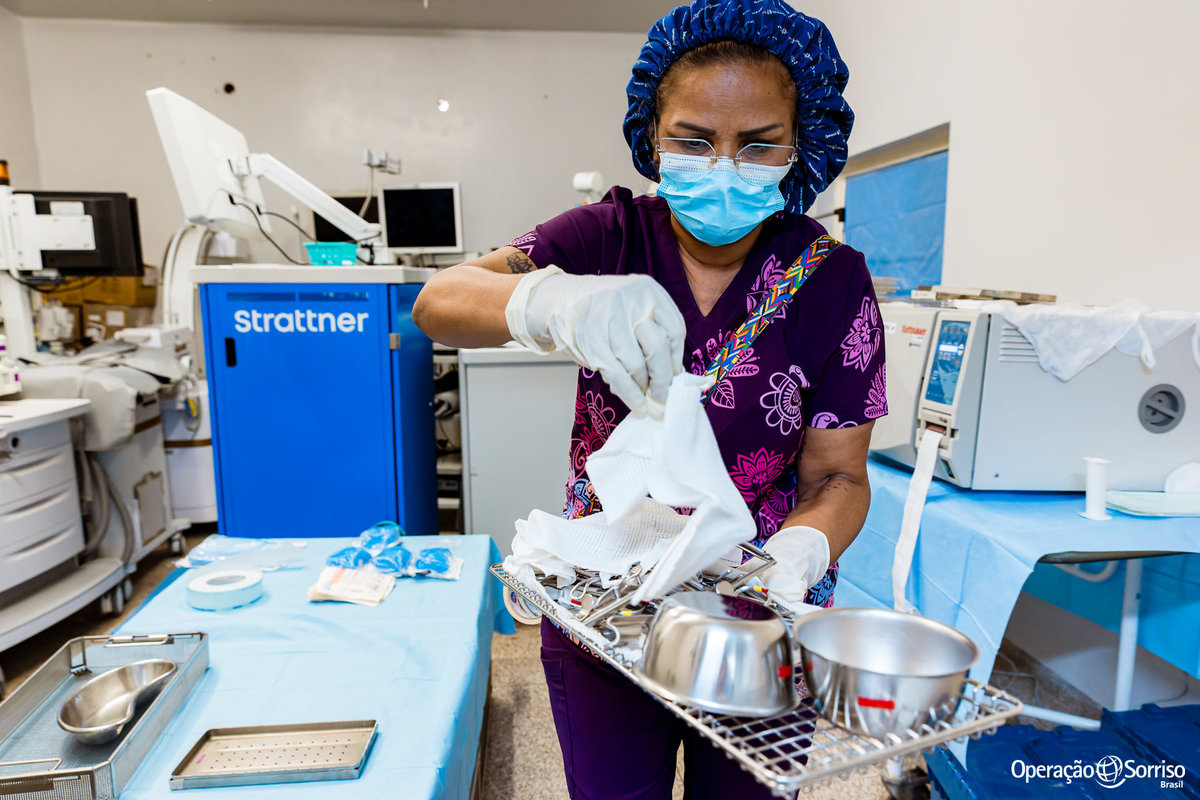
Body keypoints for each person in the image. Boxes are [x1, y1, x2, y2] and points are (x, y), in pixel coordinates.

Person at [413, 0, 886, 795]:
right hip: (608, 611)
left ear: (801, 144)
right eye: (693, 141)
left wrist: (799, 554)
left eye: (758, 144)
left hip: (755, 623)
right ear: (652, 136)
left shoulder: (832, 281)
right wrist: (552, 301)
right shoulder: (605, 238)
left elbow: (838, 476)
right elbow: (438, 303)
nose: (724, 165)